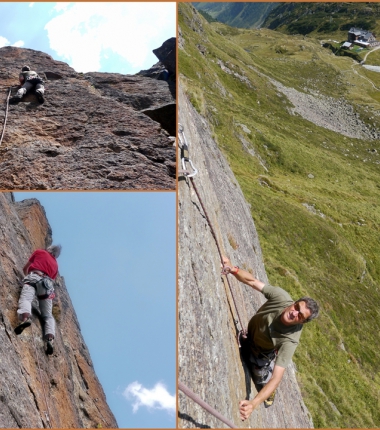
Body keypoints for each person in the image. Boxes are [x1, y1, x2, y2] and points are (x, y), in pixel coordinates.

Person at [221, 256, 319, 421]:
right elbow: (252, 281)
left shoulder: (291, 339)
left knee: (262, 379)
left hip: (261, 355)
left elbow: (277, 376)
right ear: (294, 302)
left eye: (300, 316)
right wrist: (233, 269)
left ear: (302, 322)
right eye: (296, 307)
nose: (294, 313)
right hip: (249, 337)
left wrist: (253, 403)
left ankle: (269, 392)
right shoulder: (281, 297)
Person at [14, 245, 61, 355]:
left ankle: (25, 318)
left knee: (26, 298)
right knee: (48, 315)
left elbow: (25, 268)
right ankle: (50, 339)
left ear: (49, 249)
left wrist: (27, 277)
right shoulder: (56, 265)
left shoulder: (40, 252)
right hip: (47, 285)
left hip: (34, 276)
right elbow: (52, 279)